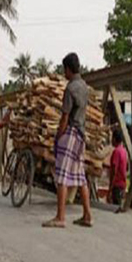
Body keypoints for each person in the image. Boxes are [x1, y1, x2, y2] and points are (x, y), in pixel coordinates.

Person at [43, 53, 93, 228]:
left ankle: (60, 217)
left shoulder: (71, 88)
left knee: (62, 176)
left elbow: (64, 117)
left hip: (71, 132)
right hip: (82, 134)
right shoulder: (85, 87)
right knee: (80, 177)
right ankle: (87, 215)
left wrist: (58, 136)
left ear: (68, 69)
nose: (64, 73)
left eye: (64, 69)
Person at [107, 129, 128, 211]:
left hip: (116, 185)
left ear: (115, 139)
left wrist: (110, 189)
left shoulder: (116, 152)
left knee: (115, 209)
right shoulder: (123, 151)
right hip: (122, 184)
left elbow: (114, 171)